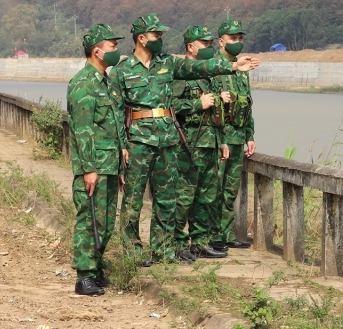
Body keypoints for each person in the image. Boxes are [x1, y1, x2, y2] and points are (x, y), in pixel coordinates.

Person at [109, 13, 258, 265]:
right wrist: (121, 146)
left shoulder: (168, 63)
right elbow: (115, 112)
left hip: (167, 140)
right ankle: (132, 250)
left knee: (167, 200)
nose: (161, 39)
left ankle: (164, 249)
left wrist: (232, 66)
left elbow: (197, 66)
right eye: (157, 35)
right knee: (133, 201)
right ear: (142, 38)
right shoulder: (122, 71)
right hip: (138, 141)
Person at [67, 24, 127, 296]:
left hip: (111, 163)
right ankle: (84, 276)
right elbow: (83, 130)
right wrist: (88, 169)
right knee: (89, 220)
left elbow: (115, 124)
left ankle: (97, 268)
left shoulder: (109, 83)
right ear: (97, 51)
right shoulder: (83, 84)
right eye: (112, 46)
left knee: (105, 222)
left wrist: (122, 159)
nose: (116, 51)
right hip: (94, 166)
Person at [171, 25, 229, 260]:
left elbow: (217, 113)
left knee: (207, 196)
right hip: (189, 144)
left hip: (210, 143)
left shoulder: (208, 76)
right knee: (184, 197)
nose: (209, 48)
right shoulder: (180, 74)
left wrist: (222, 140)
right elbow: (171, 107)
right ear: (191, 47)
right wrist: (197, 104)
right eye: (204, 44)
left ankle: (200, 241)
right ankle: (176, 243)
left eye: (210, 44)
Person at [209, 18, 256, 251]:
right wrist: (220, 140)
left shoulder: (242, 71)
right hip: (221, 138)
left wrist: (250, 135)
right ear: (221, 41)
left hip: (238, 137)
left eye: (240, 39)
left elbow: (247, 104)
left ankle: (226, 233)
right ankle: (212, 235)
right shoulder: (214, 67)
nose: (237, 42)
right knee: (214, 189)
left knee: (230, 190)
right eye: (233, 39)